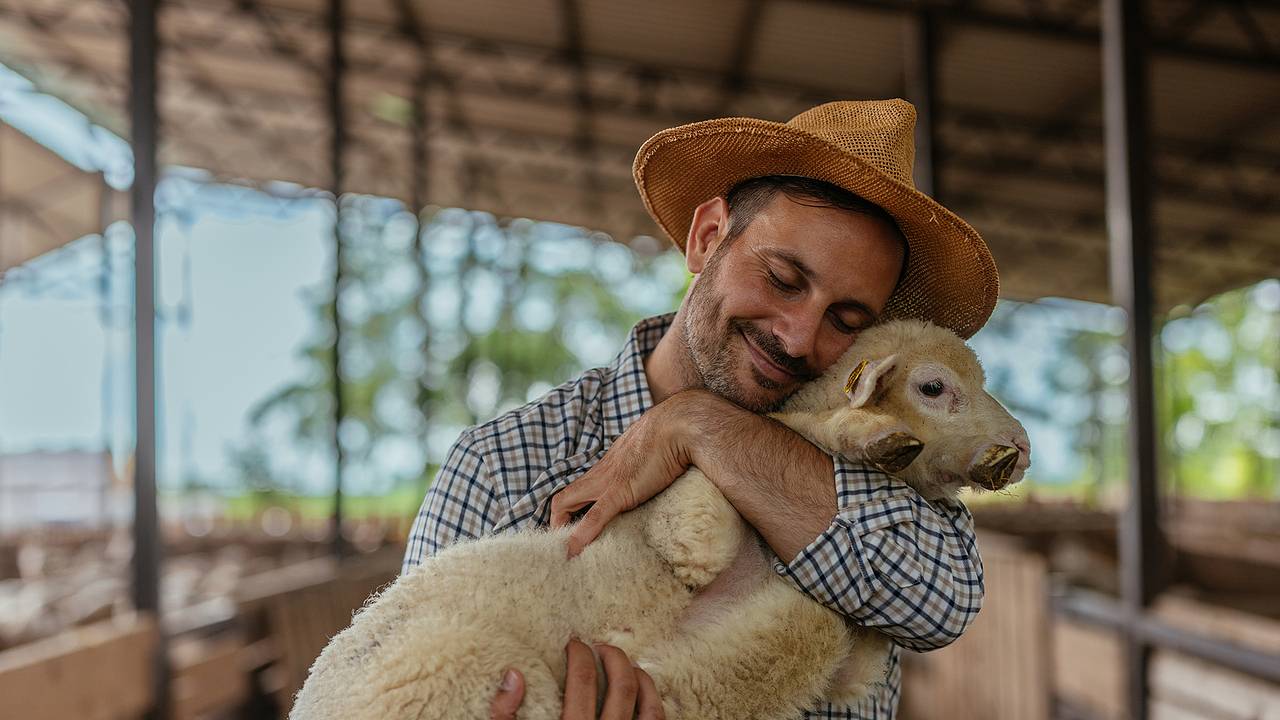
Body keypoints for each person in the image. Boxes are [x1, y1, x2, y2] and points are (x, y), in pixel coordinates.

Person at [402, 99, 999, 719]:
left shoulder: (877, 454)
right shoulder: (504, 464)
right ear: (708, 237)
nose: (798, 338)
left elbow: (943, 601)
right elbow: (390, 677)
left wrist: (698, 425)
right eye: (782, 280)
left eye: (845, 320)